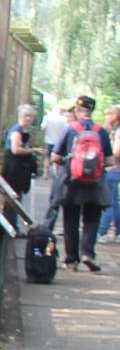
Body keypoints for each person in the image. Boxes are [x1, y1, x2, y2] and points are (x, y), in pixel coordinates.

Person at [51, 95, 113, 271]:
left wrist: (69, 162)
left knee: (71, 220)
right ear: (91, 111)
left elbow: (55, 156)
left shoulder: (70, 129)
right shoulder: (100, 131)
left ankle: (71, 260)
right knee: (92, 219)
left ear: (78, 111)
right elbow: (109, 161)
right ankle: (88, 254)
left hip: (72, 184)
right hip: (95, 185)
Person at [3, 104, 39, 227]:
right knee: (13, 196)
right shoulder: (16, 131)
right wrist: (34, 150)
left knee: (17, 196)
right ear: (20, 117)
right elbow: (15, 150)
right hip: (13, 167)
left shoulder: (24, 131)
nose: (28, 119)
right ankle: (10, 225)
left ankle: (13, 224)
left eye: (31, 116)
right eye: (26, 116)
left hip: (21, 168)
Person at [99, 105, 120, 243]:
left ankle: (102, 231)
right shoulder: (113, 130)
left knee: (108, 202)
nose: (106, 116)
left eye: (109, 114)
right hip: (114, 169)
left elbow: (117, 151)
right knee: (115, 202)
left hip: (114, 169)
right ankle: (118, 232)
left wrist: (108, 159)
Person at [42, 106, 71, 175]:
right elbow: (66, 129)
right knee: (57, 157)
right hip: (59, 141)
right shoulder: (64, 119)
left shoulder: (47, 117)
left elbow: (43, 128)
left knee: (47, 157)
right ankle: (56, 173)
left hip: (48, 140)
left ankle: (46, 173)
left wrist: (46, 134)